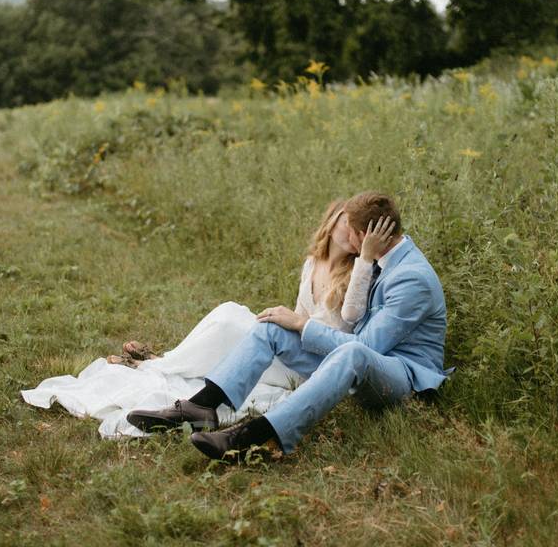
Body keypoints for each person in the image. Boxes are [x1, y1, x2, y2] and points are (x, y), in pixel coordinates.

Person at [20, 197, 396, 438]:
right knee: (232, 315)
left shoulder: (357, 272)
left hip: (316, 364)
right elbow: (299, 314)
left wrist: (365, 260)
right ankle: (163, 364)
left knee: (235, 322)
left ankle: (162, 365)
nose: (354, 235)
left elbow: (349, 318)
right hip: (294, 345)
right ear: (332, 221)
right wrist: (285, 321)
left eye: (361, 232)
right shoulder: (312, 263)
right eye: (348, 225)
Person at [127, 191, 453, 461]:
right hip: (356, 362)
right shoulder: (380, 259)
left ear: (364, 236)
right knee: (272, 327)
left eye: (352, 235)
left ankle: (258, 436)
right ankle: (201, 406)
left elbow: (367, 348)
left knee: (350, 350)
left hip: (401, 378)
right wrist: (296, 322)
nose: (351, 245)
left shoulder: (412, 278)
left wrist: (303, 323)